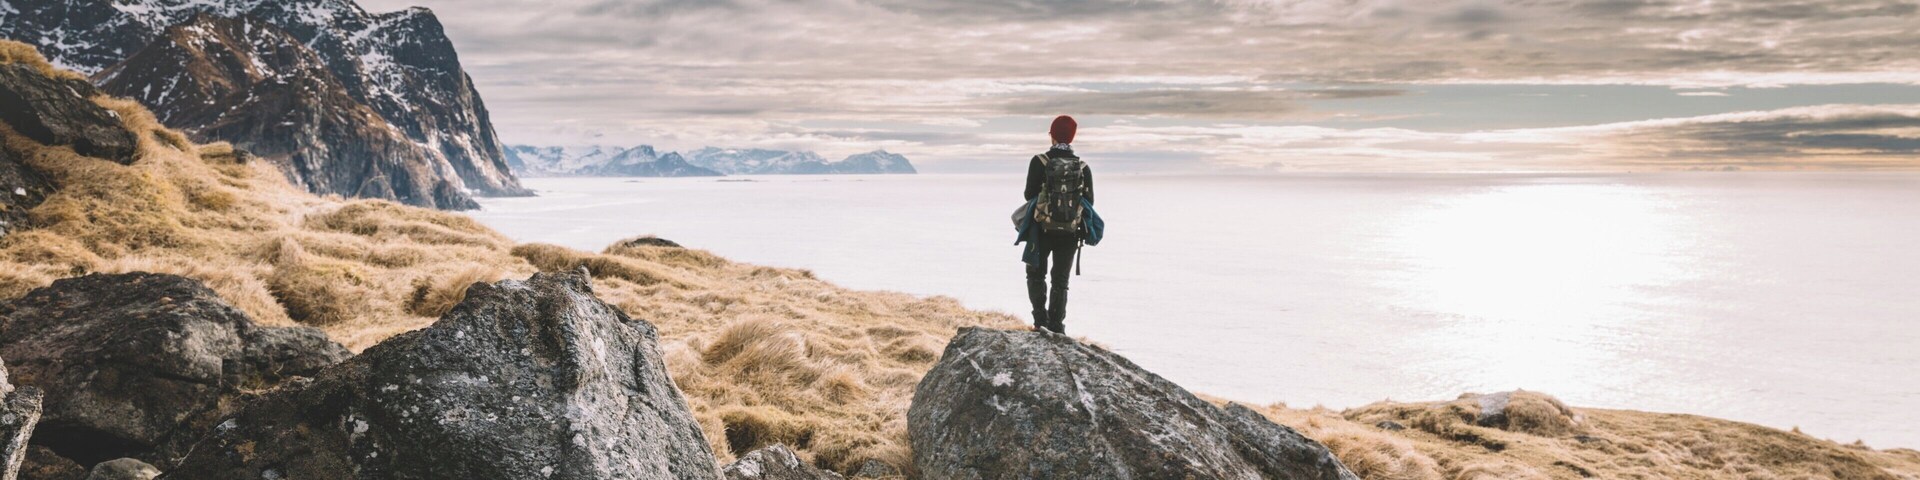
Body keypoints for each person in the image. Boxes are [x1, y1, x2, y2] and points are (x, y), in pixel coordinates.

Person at [1023, 115, 1093, 334]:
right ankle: (1057, 325)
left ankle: (1039, 321)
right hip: (1070, 232)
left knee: (1036, 274)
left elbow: (1028, 195)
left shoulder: (1039, 161)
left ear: (1051, 135)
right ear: (1072, 137)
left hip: (1041, 230)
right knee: (1060, 281)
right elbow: (1089, 202)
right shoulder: (1082, 166)